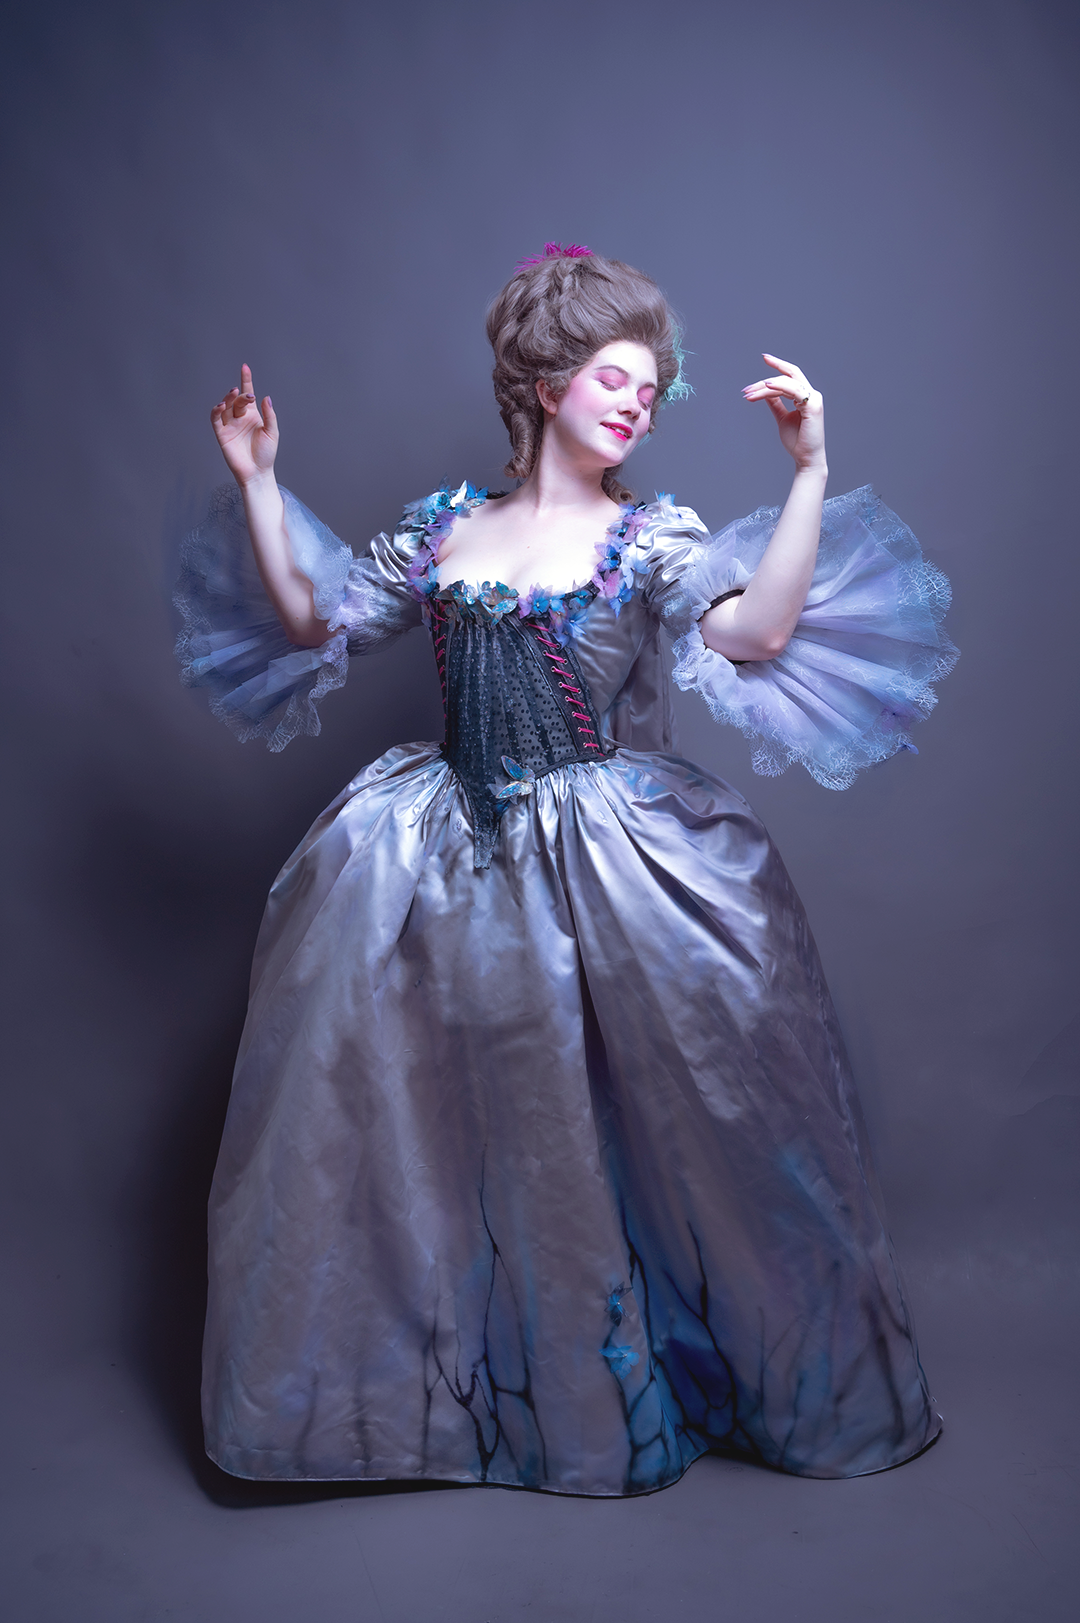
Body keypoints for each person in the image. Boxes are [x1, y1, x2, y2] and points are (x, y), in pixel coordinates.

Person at [175, 245, 957, 1495]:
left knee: (607, 1125)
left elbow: (756, 632)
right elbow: (318, 621)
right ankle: (466, 1399)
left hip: (603, 855)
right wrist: (261, 482)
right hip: (439, 854)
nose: (638, 405)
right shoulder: (445, 528)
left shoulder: (647, 540)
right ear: (546, 386)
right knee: (438, 1126)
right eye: (614, 380)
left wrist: (809, 471)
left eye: (652, 389)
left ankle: (619, 1393)